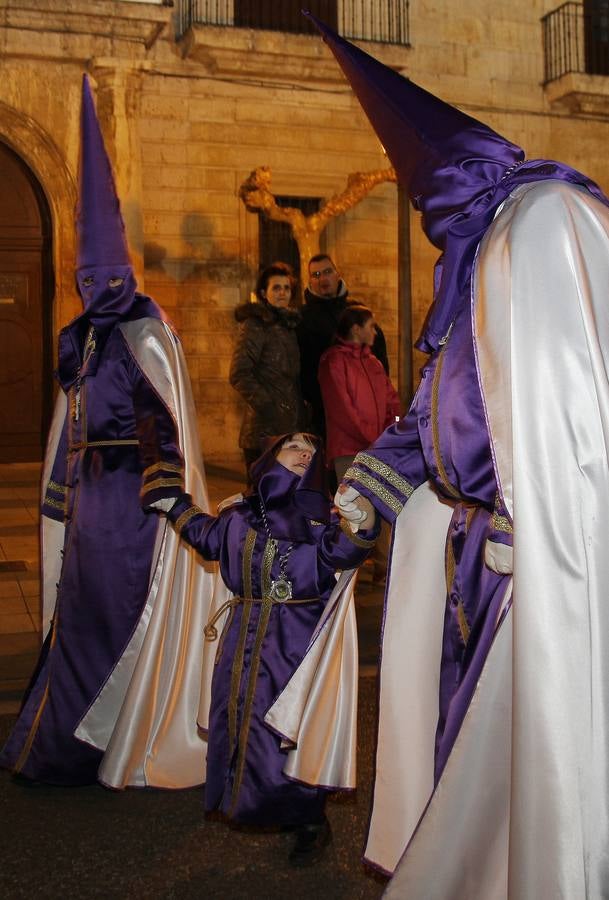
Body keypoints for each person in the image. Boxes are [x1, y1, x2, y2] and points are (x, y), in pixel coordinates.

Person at [307, 12, 609, 898]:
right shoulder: (480, 252)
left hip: (532, 559)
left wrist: (530, 527)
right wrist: (367, 492)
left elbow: (565, 408)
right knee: (473, 738)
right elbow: (441, 410)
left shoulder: (540, 224)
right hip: (474, 555)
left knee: (530, 744)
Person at [0, 75, 214, 788]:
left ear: (126, 269)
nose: (96, 287)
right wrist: (60, 492)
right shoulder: (80, 337)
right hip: (91, 499)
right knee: (80, 612)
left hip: (132, 504)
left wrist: (165, 498)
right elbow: (72, 422)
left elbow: (162, 423)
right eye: (84, 277)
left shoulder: (146, 334)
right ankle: (65, 737)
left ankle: (117, 731)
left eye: (106, 274)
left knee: (122, 610)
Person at [163, 432, 378, 866]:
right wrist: (174, 505)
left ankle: (307, 819)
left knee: (286, 734)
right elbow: (206, 537)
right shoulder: (238, 515)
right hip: (241, 639)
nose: (305, 452)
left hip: (294, 645)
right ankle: (246, 800)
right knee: (239, 723)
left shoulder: (325, 519)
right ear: (270, 456)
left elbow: (347, 549)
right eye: (293, 445)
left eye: (312, 450)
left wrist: (363, 520)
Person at [230, 262, 308, 476]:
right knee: (262, 491)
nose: (282, 292)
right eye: (276, 288)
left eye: (287, 288)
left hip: (290, 430)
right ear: (264, 293)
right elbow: (239, 373)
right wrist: (270, 407)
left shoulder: (290, 326)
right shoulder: (255, 325)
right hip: (262, 431)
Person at [297, 253, 389, 437]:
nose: (323, 279)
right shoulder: (302, 318)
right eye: (316, 275)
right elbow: (301, 367)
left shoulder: (357, 310)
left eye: (327, 272)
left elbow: (378, 352)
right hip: (325, 410)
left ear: (337, 274)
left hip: (363, 405)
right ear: (310, 281)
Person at [318, 304, 400, 483]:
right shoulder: (334, 361)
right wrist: (373, 438)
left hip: (378, 449)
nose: (375, 332)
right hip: (348, 451)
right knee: (354, 500)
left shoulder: (374, 363)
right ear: (356, 329)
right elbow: (342, 411)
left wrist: (392, 432)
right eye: (371, 326)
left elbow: (393, 403)